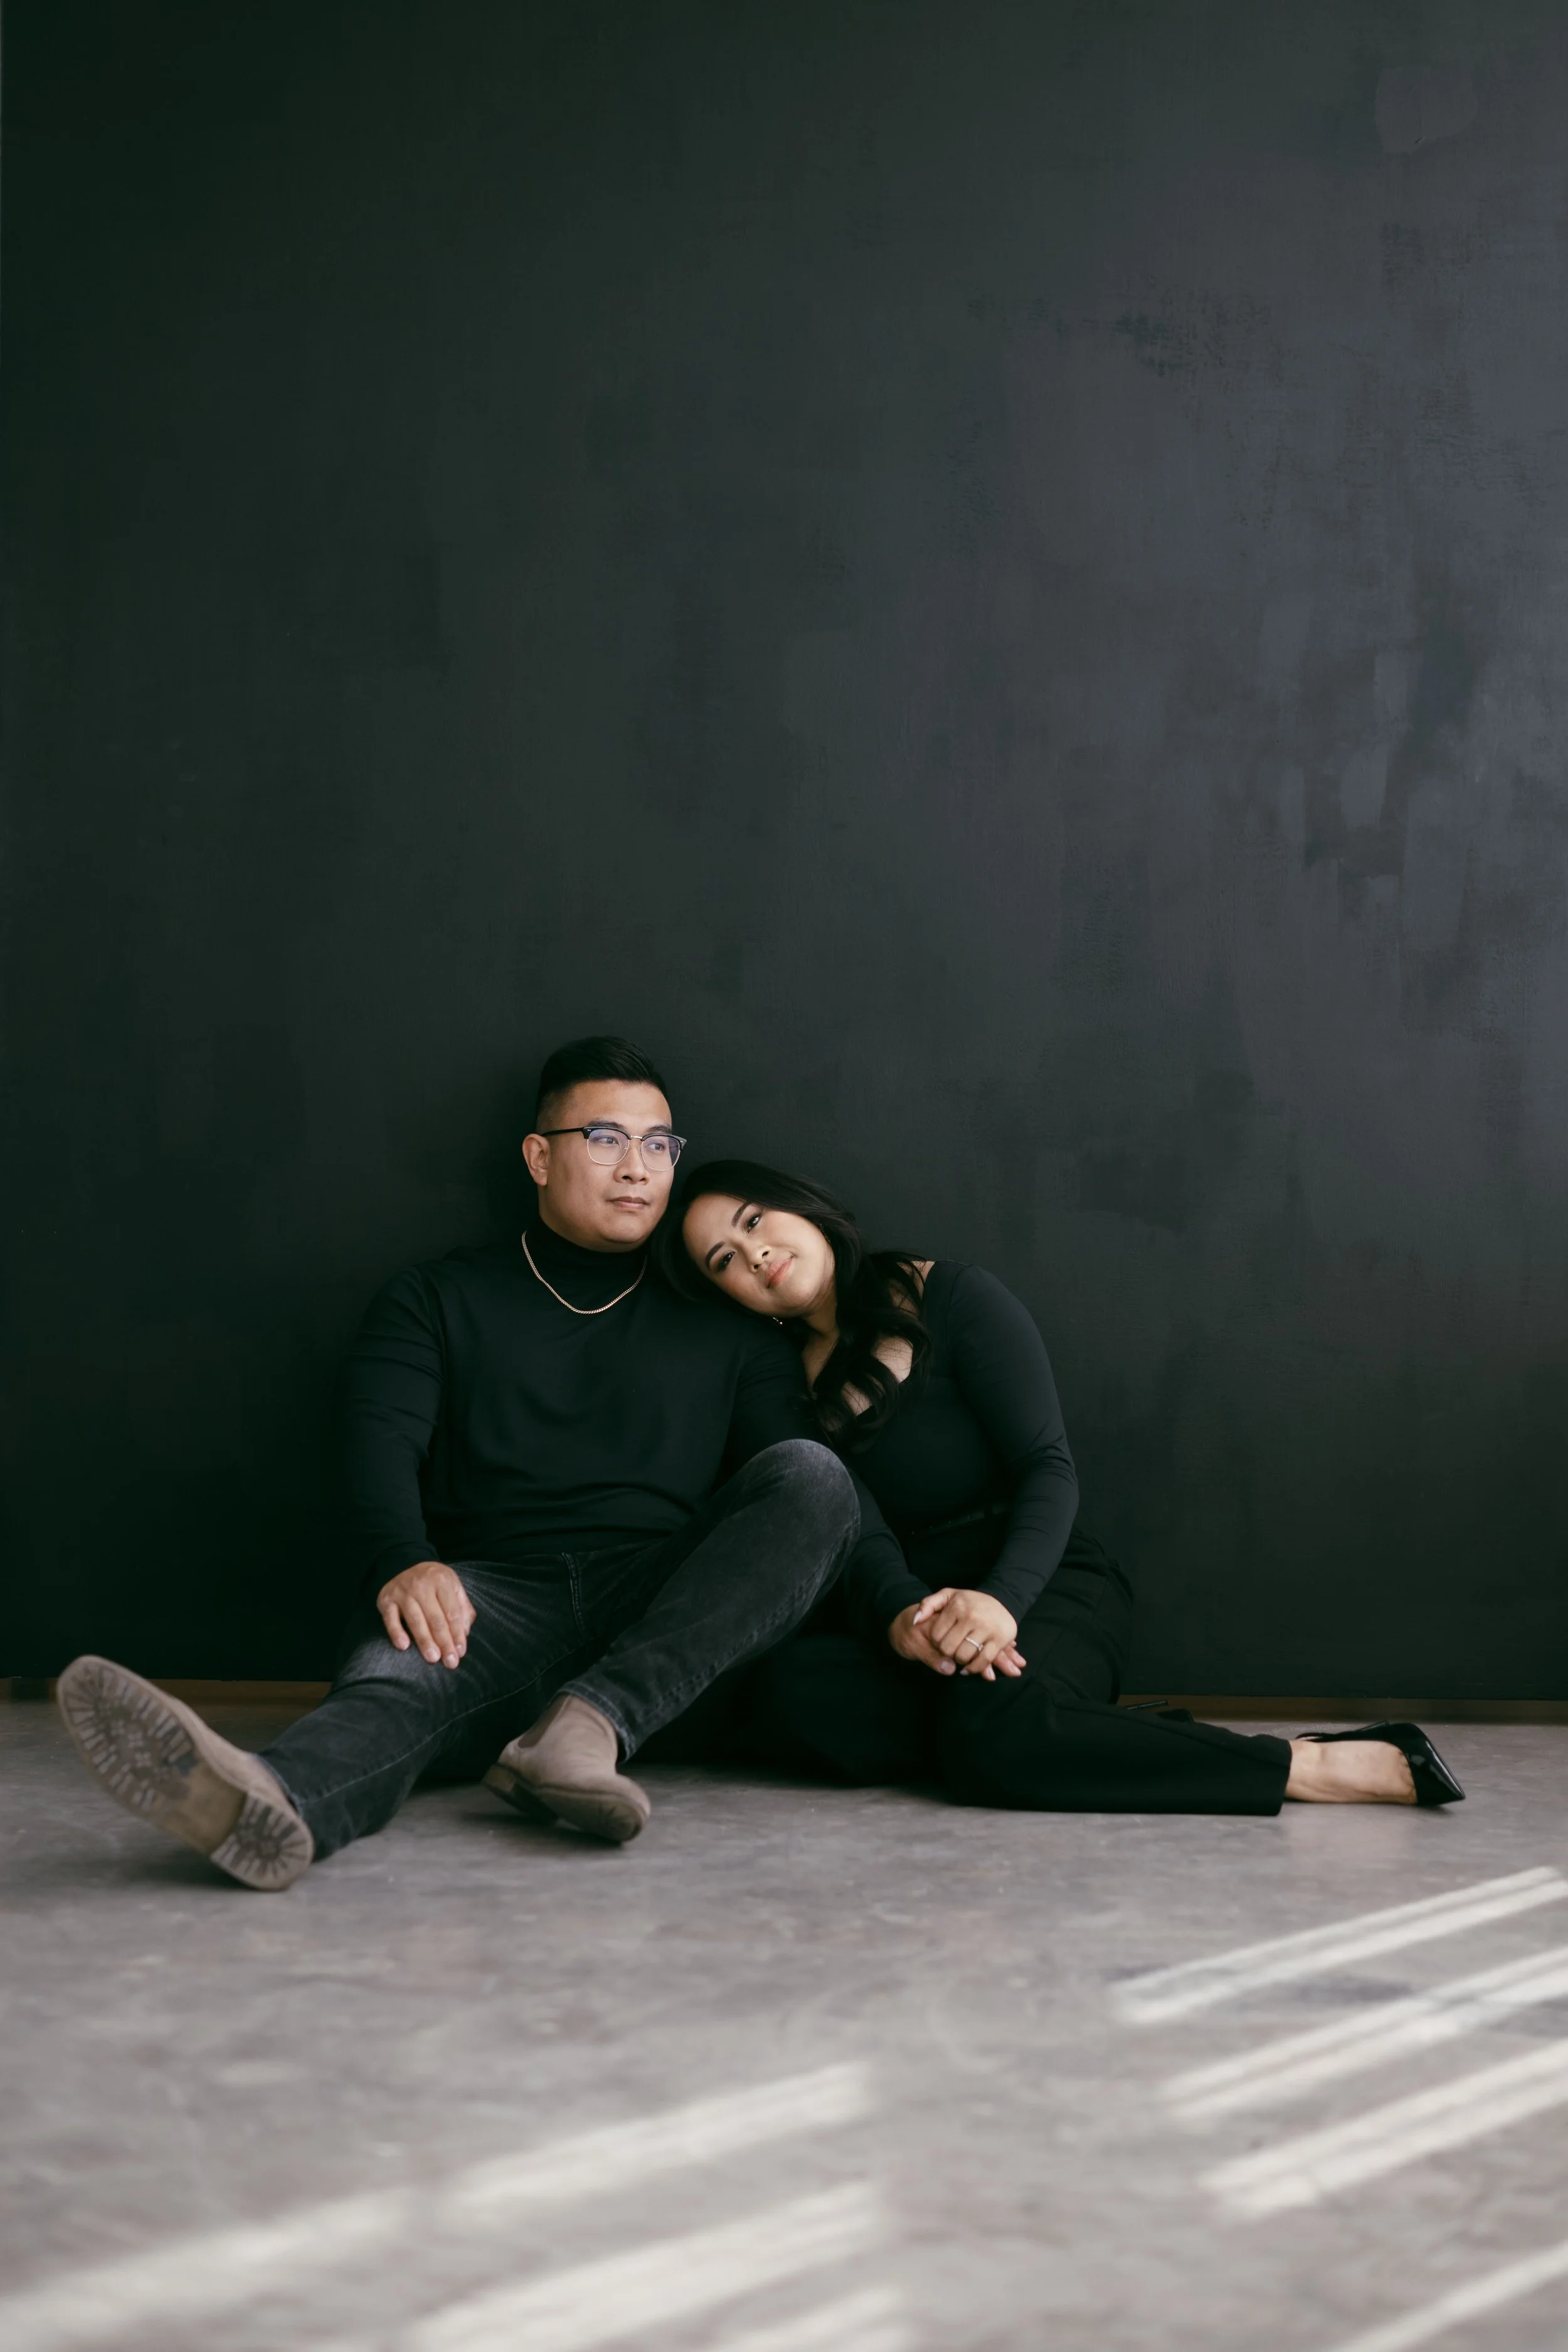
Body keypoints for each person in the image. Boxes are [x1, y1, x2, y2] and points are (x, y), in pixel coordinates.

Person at [56, 1039, 869, 1889]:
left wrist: (906, 1604)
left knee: (814, 1476)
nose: (637, 1167)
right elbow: (378, 1438)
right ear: (539, 1157)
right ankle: (270, 1799)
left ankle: (585, 1728)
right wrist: (402, 1558)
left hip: (660, 1611)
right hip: (485, 1602)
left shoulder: (730, 1327)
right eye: (605, 1138)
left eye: (658, 1144)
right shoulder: (436, 1298)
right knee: (395, 1679)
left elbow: (806, 1500)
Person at [670, 1160, 1465, 1815]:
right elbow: (853, 1520)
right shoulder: (778, 1383)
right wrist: (901, 1615)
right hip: (919, 1610)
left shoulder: (952, 1295)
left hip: (1040, 1579)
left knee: (990, 1742)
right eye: (724, 1261)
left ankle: (1306, 1766)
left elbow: (1046, 1467)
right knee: (796, 1692)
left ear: (801, 1205)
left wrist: (999, 1602)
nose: (755, 1254)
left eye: (753, 1221)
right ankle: (1066, 1727)